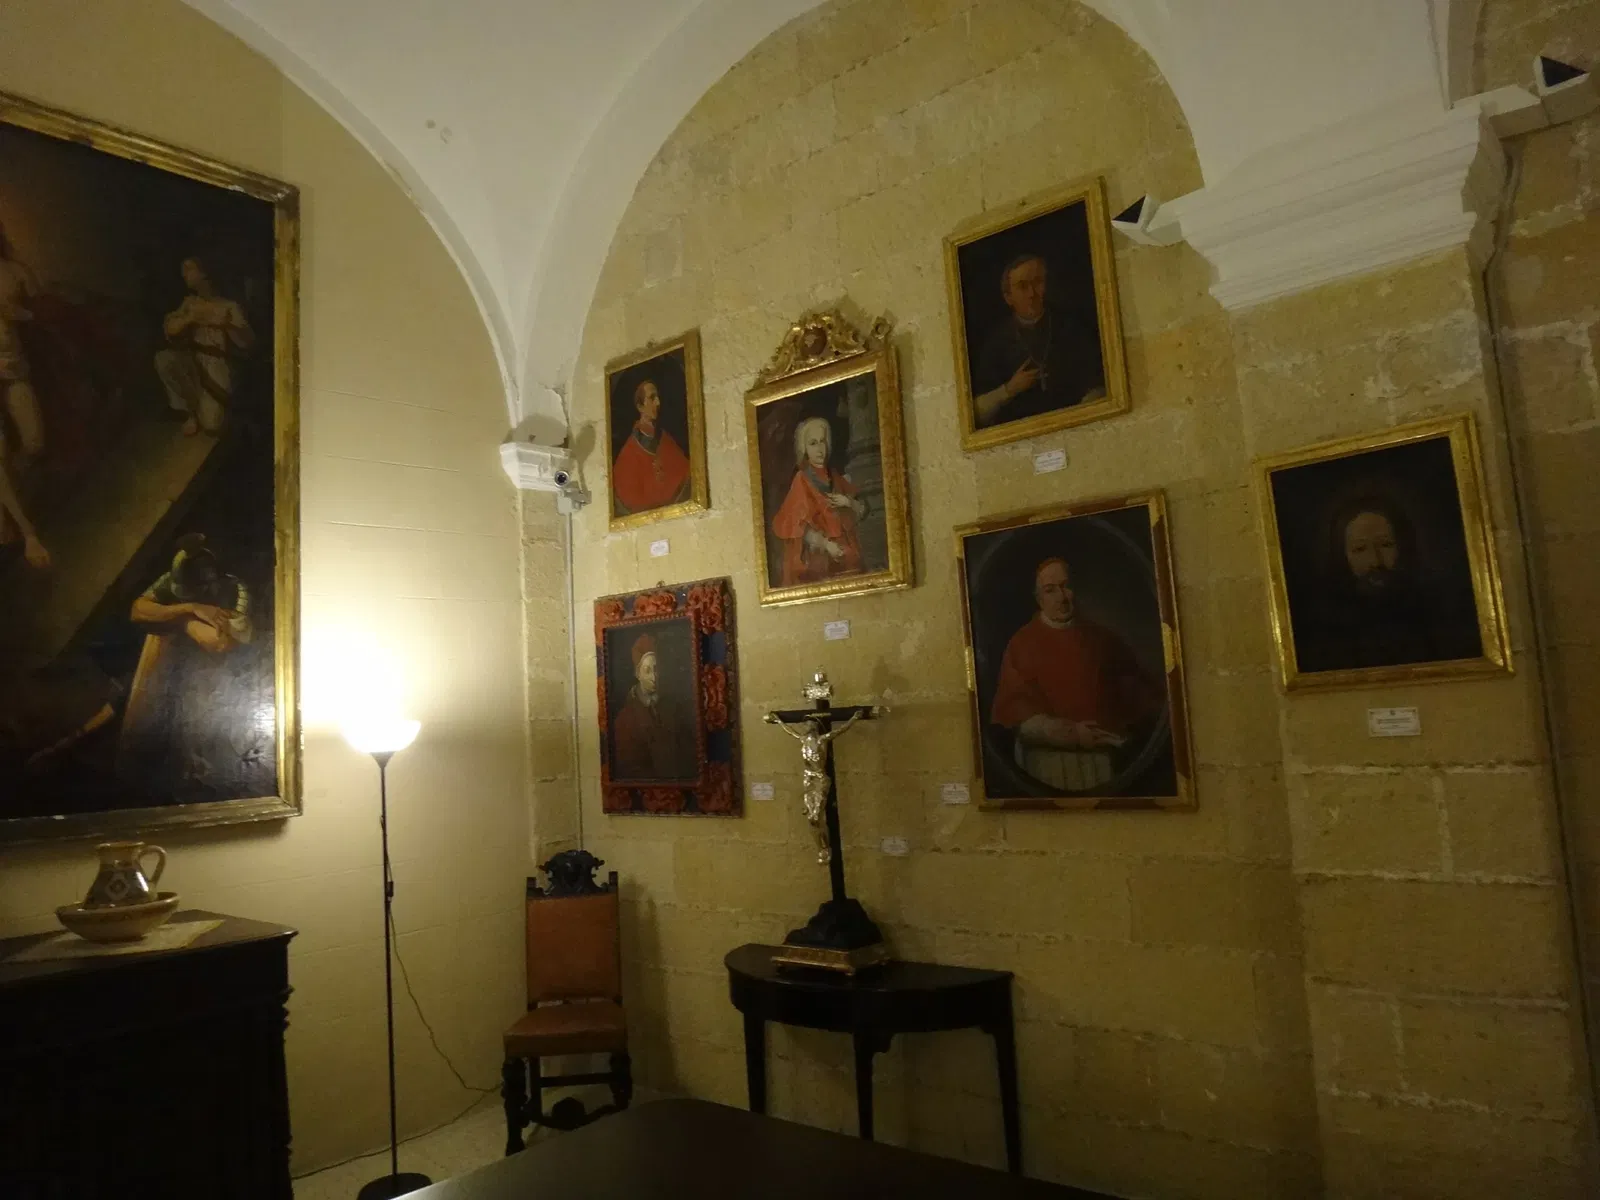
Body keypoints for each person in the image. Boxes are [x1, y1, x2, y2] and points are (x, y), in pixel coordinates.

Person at [990, 557, 1162, 791]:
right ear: (1039, 599)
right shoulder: (1022, 644)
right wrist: (1071, 734)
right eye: (1050, 590)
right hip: (1047, 764)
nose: (1061, 598)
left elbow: (1140, 695)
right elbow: (1018, 715)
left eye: (1065, 586)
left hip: (1105, 762)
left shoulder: (1103, 639)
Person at [116, 534, 257, 795]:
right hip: (178, 662)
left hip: (221, 673)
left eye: (194, 595)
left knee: (198, 730)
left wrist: (178, 621)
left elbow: (221, 645)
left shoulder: (235, 591)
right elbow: (138, 610)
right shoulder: (173, 581)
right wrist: (189, 609)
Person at [1298, 497, 1480, 672]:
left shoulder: (1440, 610)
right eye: (1360, 549)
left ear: (1403, 546)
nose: (1375, 561)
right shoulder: (1325, 624)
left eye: (1386, 545)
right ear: (1343, 556)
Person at [972, 253, 1105, 429]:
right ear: (1008, 298)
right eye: (1022, 286)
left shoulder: (1071, 327)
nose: (1032, 294)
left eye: (1037, 282)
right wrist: (1010, 389)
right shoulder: (996, 344)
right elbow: (977, 413)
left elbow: (1099, 385)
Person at [154, 256, 254, 437]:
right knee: (164, 359)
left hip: (218, 366)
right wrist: (190, 318)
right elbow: (170, 331)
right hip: (194, 363)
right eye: (183, 270)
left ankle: (209, 409)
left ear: (205, 272)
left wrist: (225, 323)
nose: (184, 274)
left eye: (189, 269)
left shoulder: (229, 306)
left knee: (213, 424)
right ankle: (191, 413)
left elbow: (247, 343)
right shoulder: (190, 303)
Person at [770, 416, 866, 586]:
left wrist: (848, 502)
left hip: (846, 556)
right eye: (813, 443)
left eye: (822, 441)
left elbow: (862, 511)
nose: (819, 449)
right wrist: (827, 545)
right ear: (805, 448)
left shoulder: (835, 477)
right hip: (816, 561)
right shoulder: (801, 480)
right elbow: (796, 526)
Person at [0, 223, 47, 567]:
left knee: (33, 443)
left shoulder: (14, 271)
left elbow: (42, 312)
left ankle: (10, 508)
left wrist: (23, 315)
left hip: (16, 369)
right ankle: (27, 532)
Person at [611, 633, 694, 781]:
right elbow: (631, 768)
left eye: (656, 669)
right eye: (647, 671)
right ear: (638, 674)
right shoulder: (625, 718)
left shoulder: (673, 708)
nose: (654, 677)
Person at [611, 377, 691, 514]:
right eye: (652, 398)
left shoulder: (666, 440)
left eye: (658, 397)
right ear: (640, 406)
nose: (658, 403)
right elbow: (630, 500)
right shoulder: (629, 453)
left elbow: (687, 473)